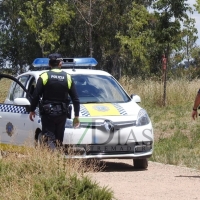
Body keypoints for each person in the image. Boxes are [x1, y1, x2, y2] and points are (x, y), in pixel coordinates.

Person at [29, 53, 80, 150]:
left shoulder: (44, 76)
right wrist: (76, 116)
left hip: (48, 113)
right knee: (59, 140)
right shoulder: (68, 77)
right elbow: (76, 99)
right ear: (60, 64)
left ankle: (53, 158)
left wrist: (32, 110)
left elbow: (36, 95)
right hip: (62, 113)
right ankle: (57, 160)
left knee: (48, 139)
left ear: (49, 64)